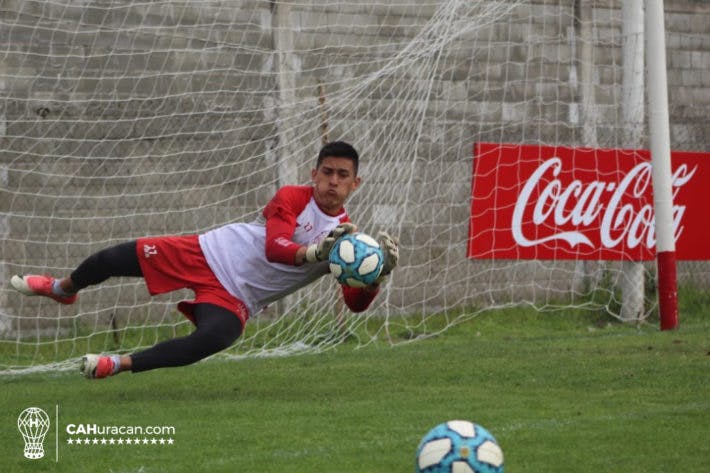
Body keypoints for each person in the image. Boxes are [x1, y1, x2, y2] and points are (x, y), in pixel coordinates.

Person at [10, 141, 399, 379]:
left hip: (237, 297)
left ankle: (119, 363)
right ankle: (64, 288)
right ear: (314, 173)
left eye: (342, 175)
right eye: (327, 172)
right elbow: (275, 247)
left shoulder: (351, 243)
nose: (333, 180)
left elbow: (354, 304)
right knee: (115, 257)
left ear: (355, 183)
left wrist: (376, 276)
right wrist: (313, 252)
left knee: (215, 338)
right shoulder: (294, 197)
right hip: (208, 252)